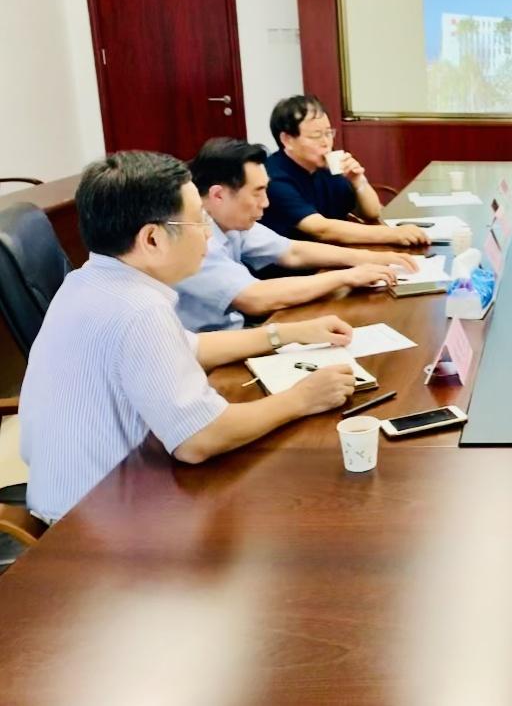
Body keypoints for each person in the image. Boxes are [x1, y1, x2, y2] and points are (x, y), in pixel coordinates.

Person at [19, 151, 358, 522]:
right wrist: (303, 398)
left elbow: (191, 346)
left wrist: (288, 333)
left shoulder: (90, 280)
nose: (209, 234)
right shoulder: (139, 309)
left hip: (81, 495)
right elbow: (199, 439)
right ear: (152, 239)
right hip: (97, 520)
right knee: (293, 507)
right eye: (199, 220)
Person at [175, 137, 421, 331]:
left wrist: (372, 258)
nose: (266, 202)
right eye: (257, 192)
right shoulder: (193, 236)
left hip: (235, 331)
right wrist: (347, 277)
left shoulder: (228, 221)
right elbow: (255, 298)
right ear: (218, 195)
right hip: (204, 356)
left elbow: (292, 251)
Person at [259, 94, 428, 246]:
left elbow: (372, 212)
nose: (326, 142)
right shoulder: (272, 178)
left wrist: (358, 181)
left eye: (328, 133)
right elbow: (321, 229)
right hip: (297, 266)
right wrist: (392, 234)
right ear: (287, 140)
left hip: (336, 254)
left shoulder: (325, 166)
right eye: (316, 135)